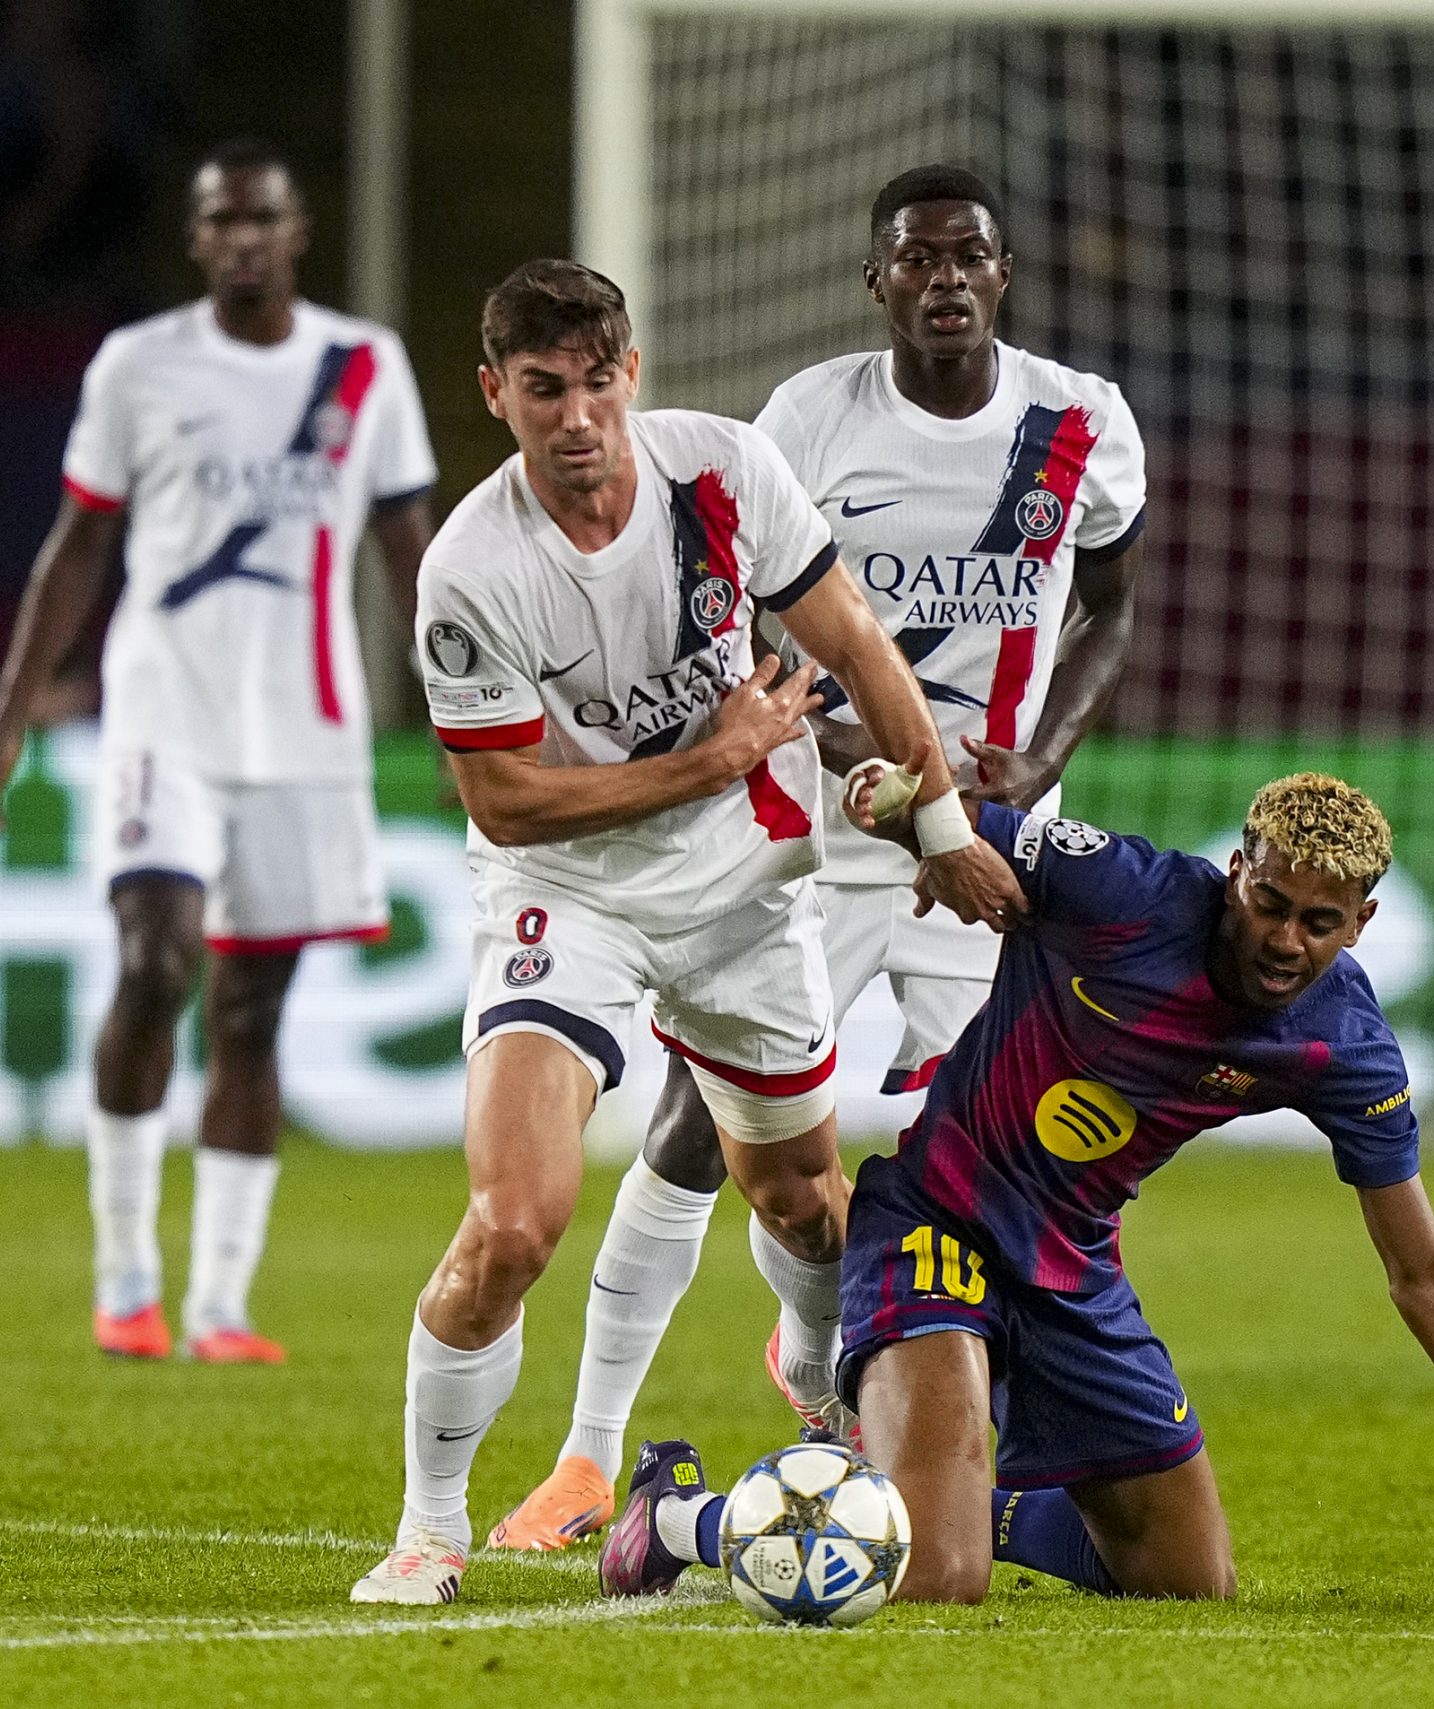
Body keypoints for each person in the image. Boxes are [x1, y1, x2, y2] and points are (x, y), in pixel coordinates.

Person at [349, 258, 1026, 1605]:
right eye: (544, 389)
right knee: (514, 1221)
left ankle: (819, 1408)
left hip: (742, 897)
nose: (579, 415)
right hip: (572, 898)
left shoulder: (723, 473)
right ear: (497, 396)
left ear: (632, 375)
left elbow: (862, 642)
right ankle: (430, 1525)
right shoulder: (469, 572)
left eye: (599, 381)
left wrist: (940, 827)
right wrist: (714, 760)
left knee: (808, 1209)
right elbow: (505, 798)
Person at [492, 163, 1147, 1551]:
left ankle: (931, 1424)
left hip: (985, 846)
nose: (945, 277)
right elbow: (758, 637)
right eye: (917, 258)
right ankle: (586, 1458)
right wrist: (870, 760)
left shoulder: (1083, 423)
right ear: (879, 282)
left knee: (984, 1151)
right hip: (827, 822)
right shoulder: (806, 420)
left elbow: (1111, 607)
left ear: (1005, 271)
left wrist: (1032, 759)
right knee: (693, 1120)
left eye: (969, 253)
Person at [599, 773, 1434, 1610]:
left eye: (1319, 921)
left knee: (1185, 1581)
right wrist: (898, 802)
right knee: (937, 1574)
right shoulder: (1121, 891)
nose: (1283, 938)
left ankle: (953, 1491)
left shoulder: (1344, 1046)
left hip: (1072, 1266)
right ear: (1236, 873)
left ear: (1361, 922)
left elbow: (1422, 1272)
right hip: (936, 1217)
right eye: (1268, 903)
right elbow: (938, 809)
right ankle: (678, 1509)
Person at [0, 138, 438, 1363]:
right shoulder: (141, 364)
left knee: (251, 1010)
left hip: (306, 730)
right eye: (218, 221)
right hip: (163, 709)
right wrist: (8, 722)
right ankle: (126, 1268)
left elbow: (407, 548)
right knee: (156, 958)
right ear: (195, 238)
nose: (239, 239)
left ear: (296, 232)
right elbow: (77, 545)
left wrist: (460, 710)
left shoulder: (362, 367)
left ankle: (220, 1301)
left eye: (259, 220)